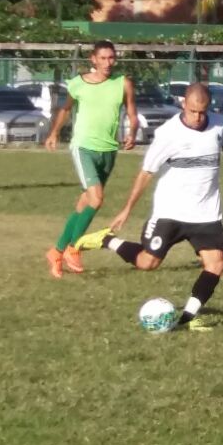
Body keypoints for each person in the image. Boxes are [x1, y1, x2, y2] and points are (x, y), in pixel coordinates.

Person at [75, 83, 223, 331]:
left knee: (216, 263)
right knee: (148, 263)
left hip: (205, 213)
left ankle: (187, 319)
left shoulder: (220, 124)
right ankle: (107, 240)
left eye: (202, 112)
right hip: (170, 212)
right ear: (184, 104)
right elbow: (146, 173)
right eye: (193, 111)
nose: (198, 117)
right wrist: (127, 209)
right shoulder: (168, 134)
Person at [43, 40, 138, 279]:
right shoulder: (78, 84)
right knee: (97, 199)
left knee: (85, 202)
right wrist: (54, 133)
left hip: (108, 150)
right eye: (103, 58)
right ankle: (74, 248)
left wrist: (132, 132)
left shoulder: (122, 83)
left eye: (111, 58)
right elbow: (65, 108)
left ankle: (56, 251)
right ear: (93, 59)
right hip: (83, 147)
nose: (108, 63)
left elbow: (132, 113)